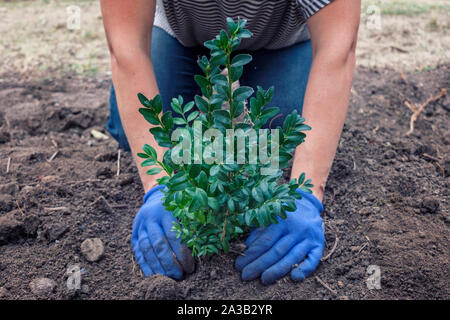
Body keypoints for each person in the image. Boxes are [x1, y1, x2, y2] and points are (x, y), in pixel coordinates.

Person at [100, 0, 360, 285]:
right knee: (140, 132)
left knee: (281, 136)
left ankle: (225, 110)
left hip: (283, 38)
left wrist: (306, 193)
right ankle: (209, 104)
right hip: (180, 32)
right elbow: (127, 48)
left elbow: (337, 49)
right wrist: (158, 185)